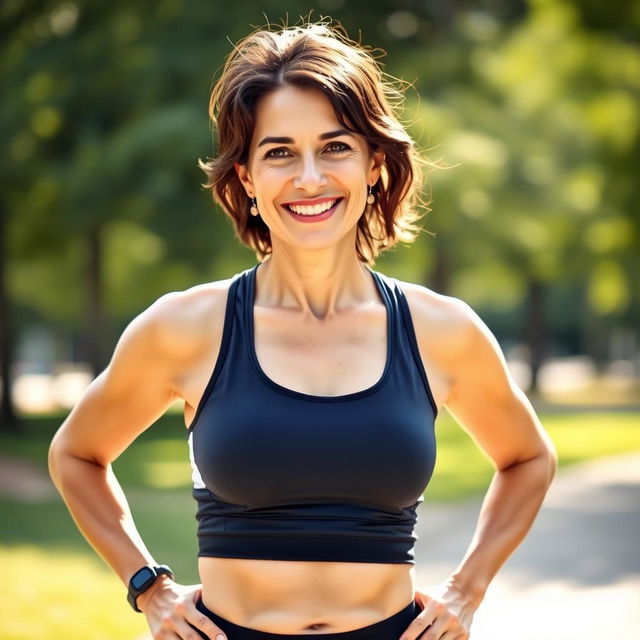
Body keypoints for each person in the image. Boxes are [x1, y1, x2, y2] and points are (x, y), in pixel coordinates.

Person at [48, 18, 557, 640]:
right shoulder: (186, 328)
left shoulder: (440, 331)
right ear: (247, 179)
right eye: (280, 152)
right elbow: (76, 455)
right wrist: (147, 586)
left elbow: (528, 458)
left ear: (374, 164)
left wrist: (466, 590)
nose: (310, 178)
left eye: (336, 146)